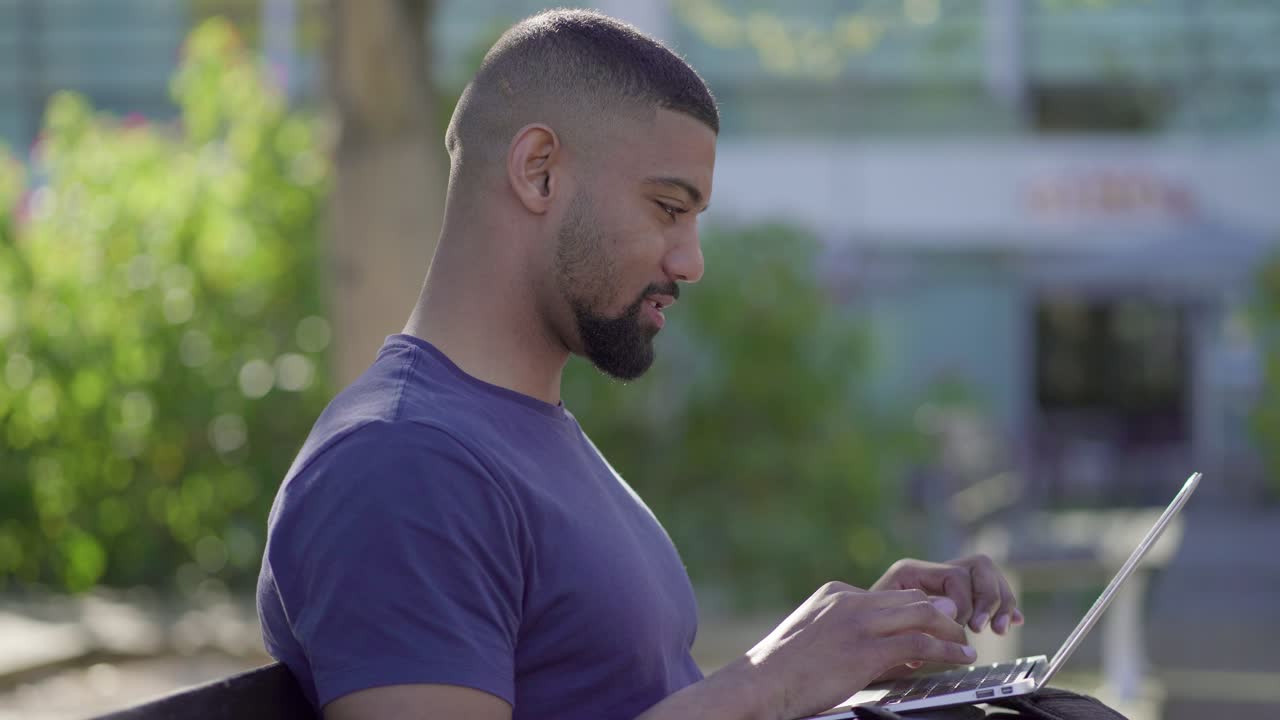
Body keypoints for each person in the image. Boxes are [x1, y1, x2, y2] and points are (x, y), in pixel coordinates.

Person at [256, 9, 1023, 720]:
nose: (689, 262)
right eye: (667, 208)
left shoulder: (514, 434)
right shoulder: (402, 463)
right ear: (539, 171)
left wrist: (840, 650)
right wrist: (771, 683)